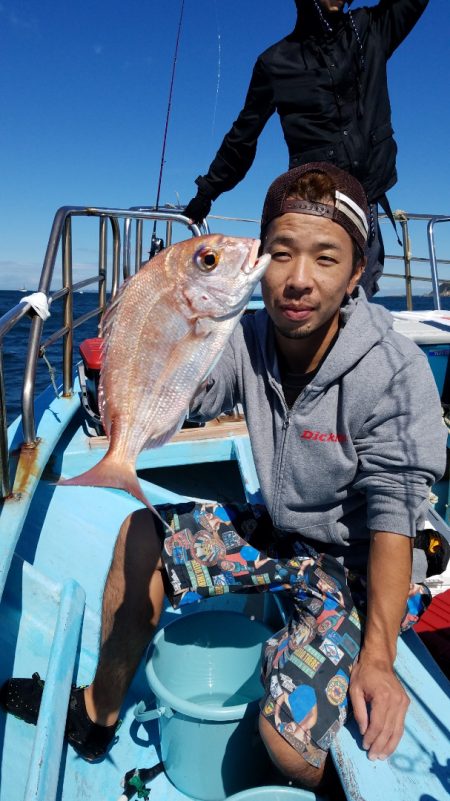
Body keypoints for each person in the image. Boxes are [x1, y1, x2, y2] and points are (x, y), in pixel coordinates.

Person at [1, 162, 447, 789]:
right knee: (140, 535)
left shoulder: (393, 369)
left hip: (357, 568)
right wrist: (135, 349)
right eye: (283, 252)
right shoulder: (248, 335)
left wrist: (379, 658)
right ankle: (98, 716)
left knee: (287, 744)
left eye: (325, 258)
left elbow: (395, 516)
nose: (297, 279)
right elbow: (200, 391)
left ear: (355, 275)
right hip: (280, 536)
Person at [184, 0, 430, 298]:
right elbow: (243, 137)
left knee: (357, 298)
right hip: (311, 206)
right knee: (311, 297)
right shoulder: (275, 62)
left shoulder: (371, 30)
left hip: (366, 203)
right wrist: (206, 193)